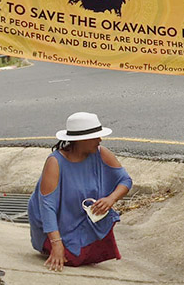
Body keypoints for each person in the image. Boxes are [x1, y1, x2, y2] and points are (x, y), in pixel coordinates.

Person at [28, 112, 132, 272]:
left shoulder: (101, 153)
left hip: (85, 219)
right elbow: (47, 207)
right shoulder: (55, 162)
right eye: (95, 137)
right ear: (79, 140)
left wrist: (111, 199)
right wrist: (56, 244)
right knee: (71, 258)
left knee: (87, 254)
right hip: (56, 227)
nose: (100, 140)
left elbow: (125, 181)